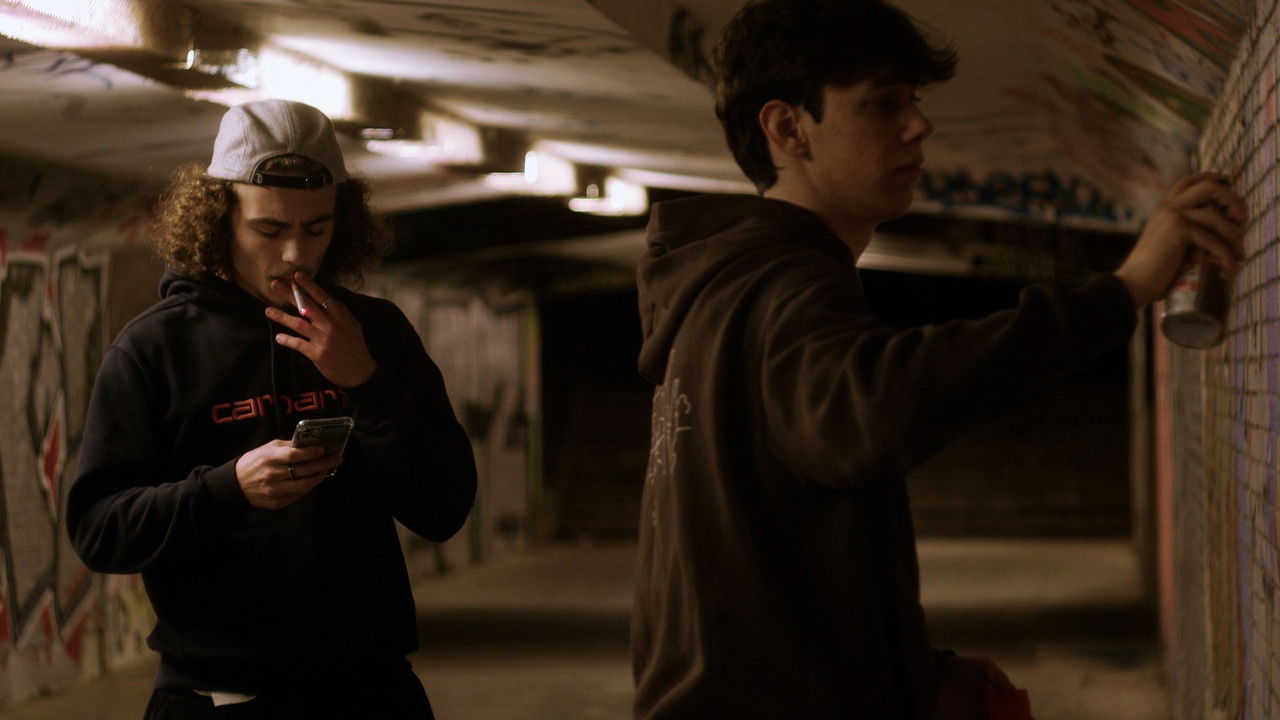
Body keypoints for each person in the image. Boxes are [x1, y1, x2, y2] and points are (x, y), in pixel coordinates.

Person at [630, 1, 1246, 718]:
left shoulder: (724, 298)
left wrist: (912, 671)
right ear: (788, 129)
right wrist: (1126, 289)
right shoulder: (780, 291)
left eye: (913, 101)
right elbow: (880, 406)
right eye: (882, 104)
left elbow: (758, 552)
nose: (918, 125)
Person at [67, 99, 477, 720]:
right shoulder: (155, 348)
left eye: (316, 228)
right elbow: (100, 533)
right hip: (218, 696)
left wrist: (365, 382)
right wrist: (228, 489)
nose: (294, 254)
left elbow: (443, 507)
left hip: (372, 691)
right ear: (218, 219)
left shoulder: (376, 333)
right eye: (269, 229)